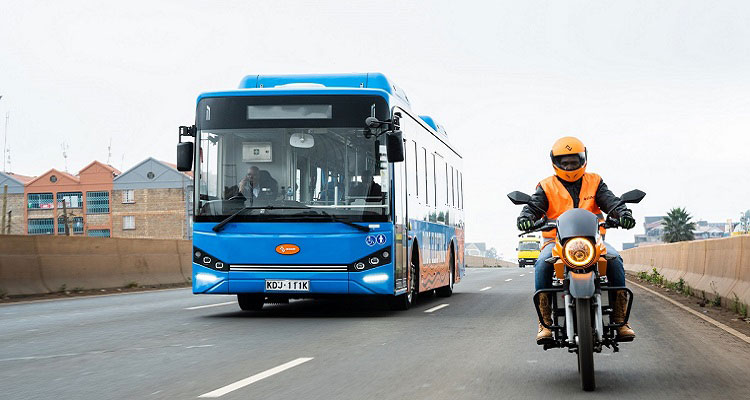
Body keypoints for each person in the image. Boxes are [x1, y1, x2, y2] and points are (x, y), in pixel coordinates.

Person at [517, 136, 637, 344]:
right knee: (542, 266)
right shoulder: (546, 186)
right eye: (565, 162)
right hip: (556, 244)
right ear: (556, 162)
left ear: (583, 159)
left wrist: (623, 214)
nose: (570, 166)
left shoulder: (595, 182)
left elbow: (612, 202)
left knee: (615, 260)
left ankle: (621, 320)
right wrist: (525, 218)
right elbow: (533, 207)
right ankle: (544, 322)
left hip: (594, 243)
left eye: (574, 161)